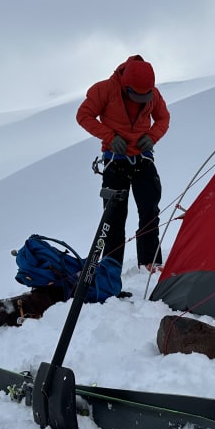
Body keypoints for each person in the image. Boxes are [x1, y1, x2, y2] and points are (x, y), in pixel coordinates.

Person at [76, 55, 170, 270]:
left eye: (144, 96)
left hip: (143, 160)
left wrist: (152, 136)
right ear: (125, 85)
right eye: (136, 95)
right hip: (114, 162)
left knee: (149, 211)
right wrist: (110, 137)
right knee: (113, 218)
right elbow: (84, 115)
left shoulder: (153, 94)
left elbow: (163, 118)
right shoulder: (104, 90)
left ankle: (150, 264)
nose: (140, 100)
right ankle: (111, 269)